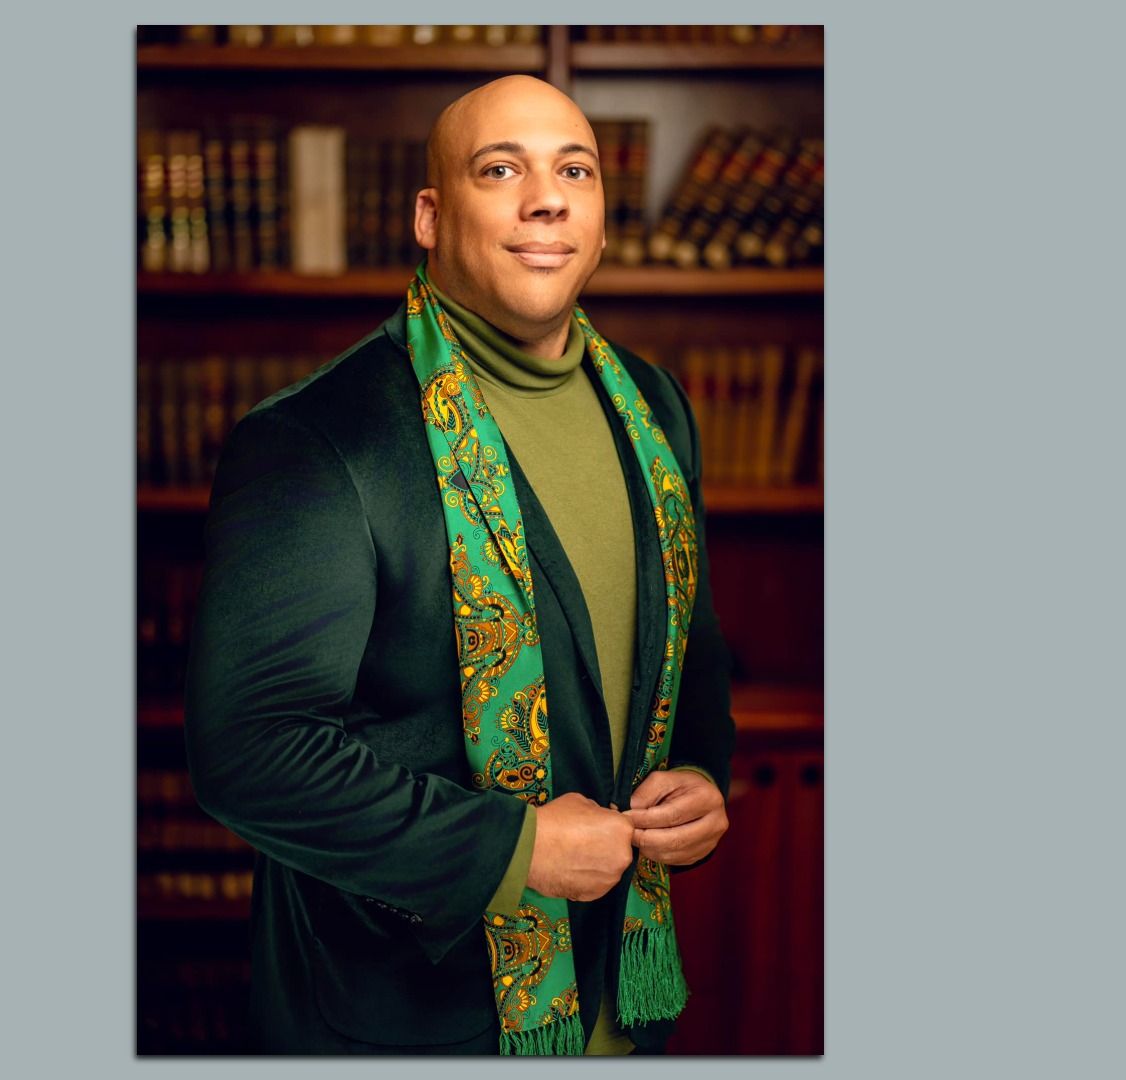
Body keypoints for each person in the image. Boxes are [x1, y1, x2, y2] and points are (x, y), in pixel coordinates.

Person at [185, 75, 736, 1055]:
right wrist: (512, 849)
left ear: (603, 220)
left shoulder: (654, 406)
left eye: (576, 169)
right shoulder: (318, 439)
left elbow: (685, 647)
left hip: (616, 1001)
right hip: (402, 1019)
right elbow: (251, 753)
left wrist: (698, 770)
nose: (547, 198)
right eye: (500, 169)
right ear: (430, 217)